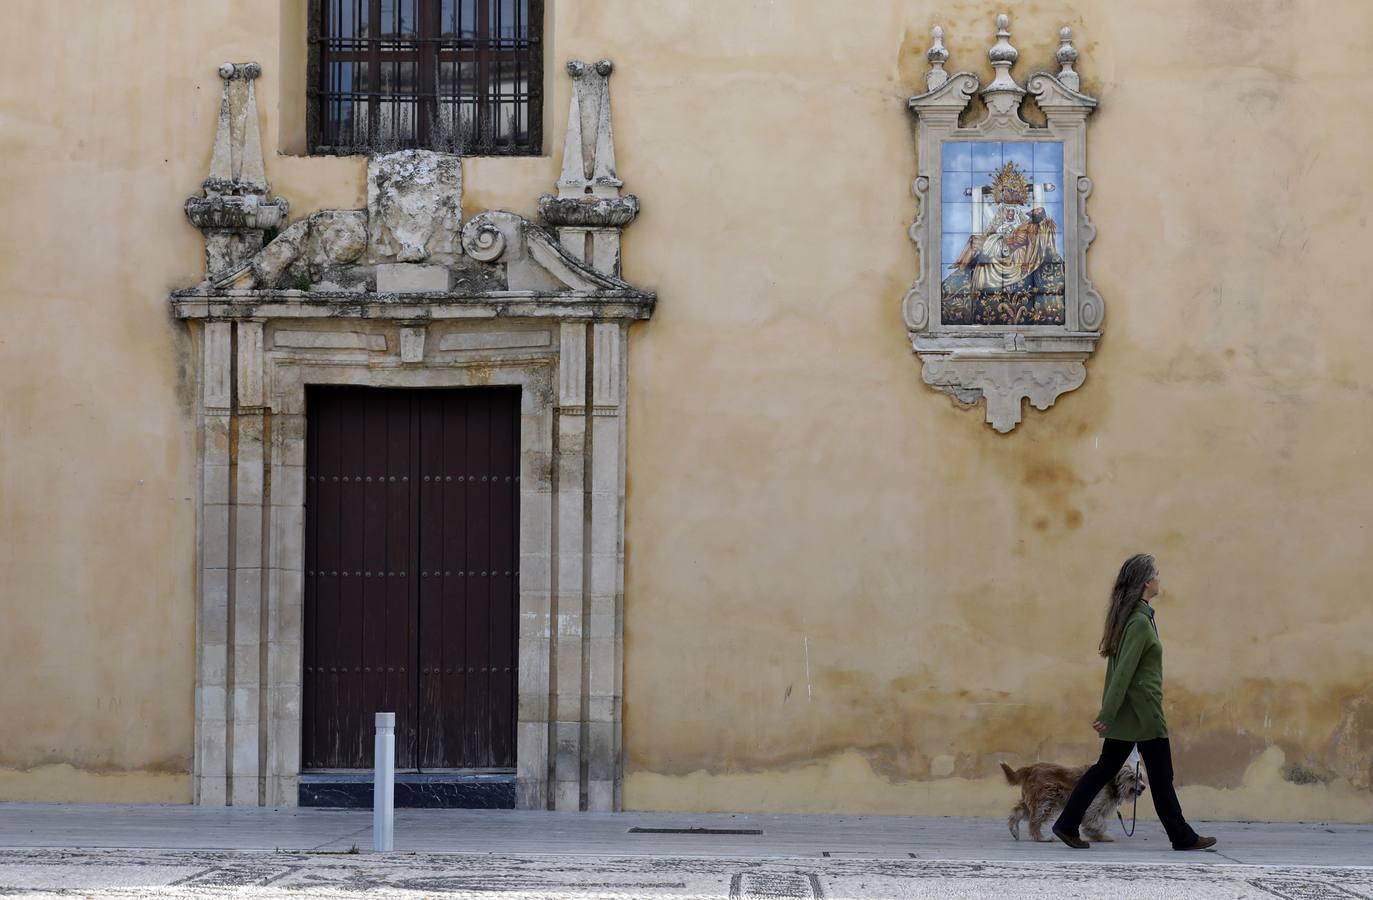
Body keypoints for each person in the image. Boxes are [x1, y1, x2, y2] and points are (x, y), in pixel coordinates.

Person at [1052, 553, 1217, 851]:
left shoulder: (1136, 618)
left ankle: (1066, 824)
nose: (1159, 578)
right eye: (1156, 573)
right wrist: (1108, 712)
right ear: (1146, 582)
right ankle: (1181, 836)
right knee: (1162, 776)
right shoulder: (1139, 622)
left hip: (1131, 714)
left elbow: (1121, 670)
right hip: (1143, 713)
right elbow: (1124, 671)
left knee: (1104, 768)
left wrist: (1113, 712)